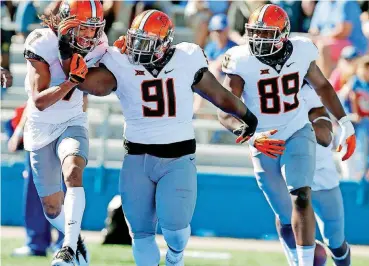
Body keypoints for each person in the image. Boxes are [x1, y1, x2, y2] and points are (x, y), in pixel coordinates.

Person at [73, 10, 282, 266]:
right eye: (135, 40)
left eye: (146, 42)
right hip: (137, 157)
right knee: (139, 232)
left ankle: (175, 258)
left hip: (178, 157)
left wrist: (247, 116)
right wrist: (88, 57)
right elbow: (91, 83)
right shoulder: (121, 61)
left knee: (175, 227)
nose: (137, 48)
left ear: (164, 44)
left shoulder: (186, 58)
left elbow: (218, 94)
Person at [218, 4, 356, 266]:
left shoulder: (302, 56)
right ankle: (299, 259)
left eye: (266, 34)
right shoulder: (242, 59)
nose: (259, 40)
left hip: (302, 143)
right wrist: (249, 135)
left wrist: (341, 123)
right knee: (285, 215)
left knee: (306, 204)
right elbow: (224, 108)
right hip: (265, 142)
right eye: (255, 33)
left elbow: (323, 92)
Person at [23, 0, 108, 265]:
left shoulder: (100, 43)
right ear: (66, 23)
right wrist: (71, 82)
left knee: (73, 172)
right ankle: (77, 240)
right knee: (51, 208)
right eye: (83, 29)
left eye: (94, 29)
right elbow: (40, 101)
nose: (90, 36)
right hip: (41, 125)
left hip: (73, 119)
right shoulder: (41, 42)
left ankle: (68, 248)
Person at [276, 83, 351, 266]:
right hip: (291, 176)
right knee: (286, 220)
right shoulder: (269, 96)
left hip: (321, 179)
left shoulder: (309, 93)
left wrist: (295, 124)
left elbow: (325, 137)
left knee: (335, 242)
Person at [309, 0, 368, 78]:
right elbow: (313, 28)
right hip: (326, 39)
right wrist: (313, 36)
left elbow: (344, 31)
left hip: (352, 44)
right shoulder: (321, 4)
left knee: (323, 46)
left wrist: (322, 37)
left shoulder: (347, 2)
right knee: (305, 44)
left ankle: (325, 84)